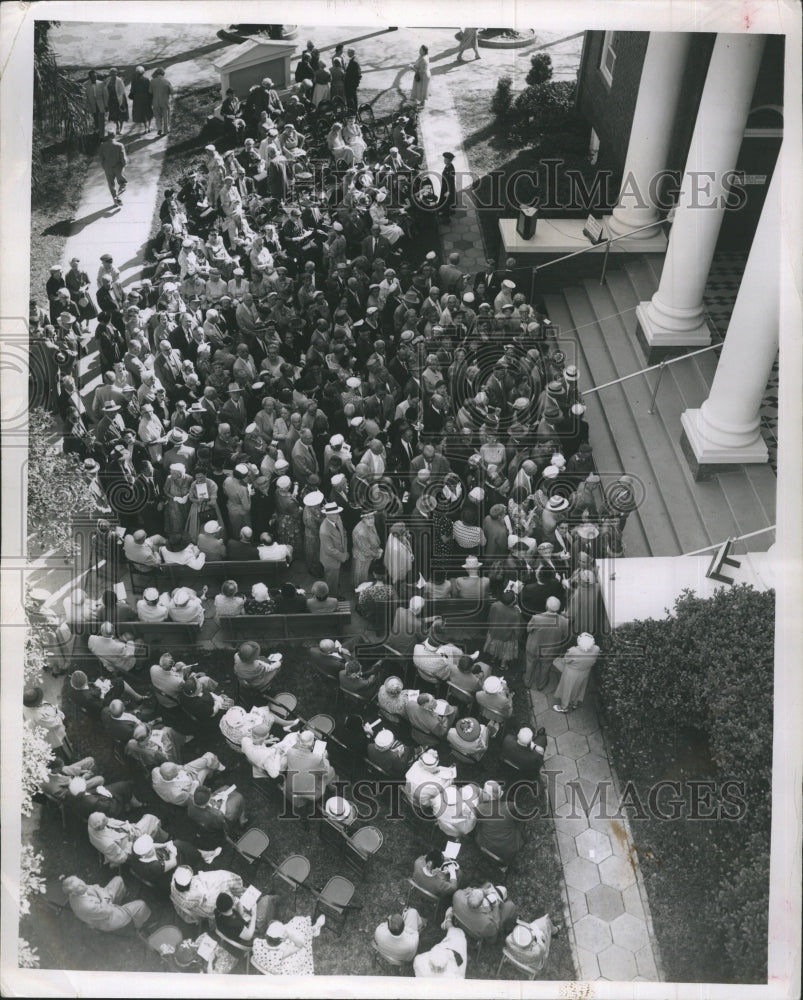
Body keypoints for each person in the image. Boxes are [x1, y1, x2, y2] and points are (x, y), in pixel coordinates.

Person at [62, 875, 151, 932]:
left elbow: (96, 887)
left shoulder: (79, 891)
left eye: (80, 881)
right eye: (79, 886)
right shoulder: (86, 906)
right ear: (73, 893)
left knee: (118, 879)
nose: (83, 884)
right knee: (141, 905)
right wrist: (105, 898)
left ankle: (119, 901)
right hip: (107, 919)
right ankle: (140, 926)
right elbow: (108, 911)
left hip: (103, 902)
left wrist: (104, 898)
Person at [251, 915, 326, 975]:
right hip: (282, 970)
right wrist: (289, 935)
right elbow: (300, 945)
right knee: (303, 941)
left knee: (295, 924)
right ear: (281, 940)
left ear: (266, 935)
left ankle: (313, 929)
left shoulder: (256, 942)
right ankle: (314, 928)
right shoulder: (280, 953)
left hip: (266, 964)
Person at [170, 865, 244, 925]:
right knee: (222, 881)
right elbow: (204, 897)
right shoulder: (194, 894)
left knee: (217, 880)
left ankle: (235, 890)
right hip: (202, 907)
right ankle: (238, 893)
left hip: (188, 903)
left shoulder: (174, 884)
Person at [474, 780, 527, 863]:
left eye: (483, 791)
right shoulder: (510, 806)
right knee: (517, 825)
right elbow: (522, 818)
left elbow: (478, 824)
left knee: (479, 828)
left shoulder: (479, 809)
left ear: (487, 795)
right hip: (511, 848)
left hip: (488, 848)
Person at [87, 811, 167, 866]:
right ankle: (164, 839)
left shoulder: (93, 823)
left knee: (149, 820)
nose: (107, 819)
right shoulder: (108, 844)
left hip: (125, 834)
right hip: (128, 846)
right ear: (101, 826)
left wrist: (128, 826)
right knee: (150, 819)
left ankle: (160, 837)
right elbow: (122, 858)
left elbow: (111, 821)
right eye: (105, 820)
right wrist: (131, 841)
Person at [525, 595, 570, 690]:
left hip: (533, 648)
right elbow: (565, 637)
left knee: (530, 664)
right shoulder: (564, 621)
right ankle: (541, 685)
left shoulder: (536, 618)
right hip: (550, 651)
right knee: (545, 668)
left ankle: (527, 682)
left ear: (547, 606)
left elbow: (528, 629)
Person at [451, 882, 518, 940]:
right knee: (510, 905)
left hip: (461, 920)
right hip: (475, 931)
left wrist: (481, 890)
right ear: (481, 902)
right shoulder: (487, 923)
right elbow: (495, 928)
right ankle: (507, 928)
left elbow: (468, 890)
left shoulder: (457, 895)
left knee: (488, 884)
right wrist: (495, 906)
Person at [151, 752, 223, 806]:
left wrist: (183, 769)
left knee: (209, 756)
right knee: (207, 768)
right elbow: (191, 798)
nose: (179, 770)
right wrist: (195, 781)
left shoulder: (155, 771)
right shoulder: (176, 794)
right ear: (168, 777)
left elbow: (180, 768)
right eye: (176, 772)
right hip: (193, 785)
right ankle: (217, 771)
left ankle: (217, 768)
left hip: (186, 772)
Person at [553, 632, 601, 712]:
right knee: (579, 688)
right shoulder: (596, 649)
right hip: (585, 672)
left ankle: (564, 707)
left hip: (571, 673)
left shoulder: (573, 651)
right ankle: (575, 703)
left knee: (567, 689)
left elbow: (566, 660)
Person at [413, 908, 467, 978]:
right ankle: (448, 921)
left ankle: (447, 923)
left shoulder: (419, 961)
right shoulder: (456, 977)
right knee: (458, 934)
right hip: (454, 952)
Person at [318, 500, 349, 597]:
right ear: (327, 515)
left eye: (337, 513)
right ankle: (333, 597)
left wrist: (345, 549)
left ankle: (334, 587)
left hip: (338, 556)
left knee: (334, 579)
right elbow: (329, 550)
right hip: (330, 561)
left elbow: (343, 532)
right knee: (331, 581)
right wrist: (344, 556)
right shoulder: (324, 531)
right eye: (333, 514)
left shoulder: (337, 518)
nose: (336, 515)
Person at [98, 129, 127, 206]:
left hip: (108, 167)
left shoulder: (102, 145)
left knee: (111, 184)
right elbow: (123, 158)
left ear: (107, 137)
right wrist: (124, 165)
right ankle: (119, 197)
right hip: (118, 167)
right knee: (123, 183)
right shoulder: (120, 145)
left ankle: (115, 199)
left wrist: (104, 166)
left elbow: (101, 158)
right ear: (114, 136)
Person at [149, 67, 173, 136]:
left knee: (157, 116)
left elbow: (150, 91)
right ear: (163, 74)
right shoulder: (166, 81)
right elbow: (172, 91)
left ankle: (159, 128)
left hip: (155, 101)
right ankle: (165, 130)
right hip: (165, 102)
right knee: (166, 116)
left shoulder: (152, 81)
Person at [129, 65, 152, 133]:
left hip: (138, 99)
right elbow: (149, 90)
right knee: (148, 112)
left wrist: (132, 96)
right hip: (146, 98)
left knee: (142, 114)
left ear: (136, 72)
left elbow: (132, 90)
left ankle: (145, 128)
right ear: (143, 72)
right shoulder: (146, 80)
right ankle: (149, 126)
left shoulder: (134, 80)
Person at [104, 67, 128, 133]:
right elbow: (105, 89)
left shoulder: (119, 80)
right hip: (111, 99)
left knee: (121, 114)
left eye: (114, 73)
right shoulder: (108, 79)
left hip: (119, 98)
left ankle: (121, 127)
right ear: (110, 74)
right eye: (111, 73)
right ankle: (117, 126)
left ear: (116, 73)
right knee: (114, 114)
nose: (113, 74)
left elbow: (122, 91)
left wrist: (122, 102)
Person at [84, 69, 107, 136]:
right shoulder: (85, 84)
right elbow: (85, 97)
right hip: (92, 105)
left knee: (102, 121)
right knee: (96, 121)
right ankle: (97, 135)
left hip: (101, 105)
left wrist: (106, 105)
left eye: (96, 76)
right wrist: (87, 107)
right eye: (93, 76)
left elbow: (105, 95)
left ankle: (102, 136)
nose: (95, 78)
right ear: (90, 77)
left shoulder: (101, 83)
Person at [439, 151, 457, 221]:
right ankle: (444, 211)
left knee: (447, 202)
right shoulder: (447, 166)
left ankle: (446, 218)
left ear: (450, 160)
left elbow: (451, 181)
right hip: (444, 187)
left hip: (448, 188)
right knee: (444, 200)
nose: (444, 161)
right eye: (444, 159)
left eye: (446, 160)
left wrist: (448, 191)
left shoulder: (451, 169)